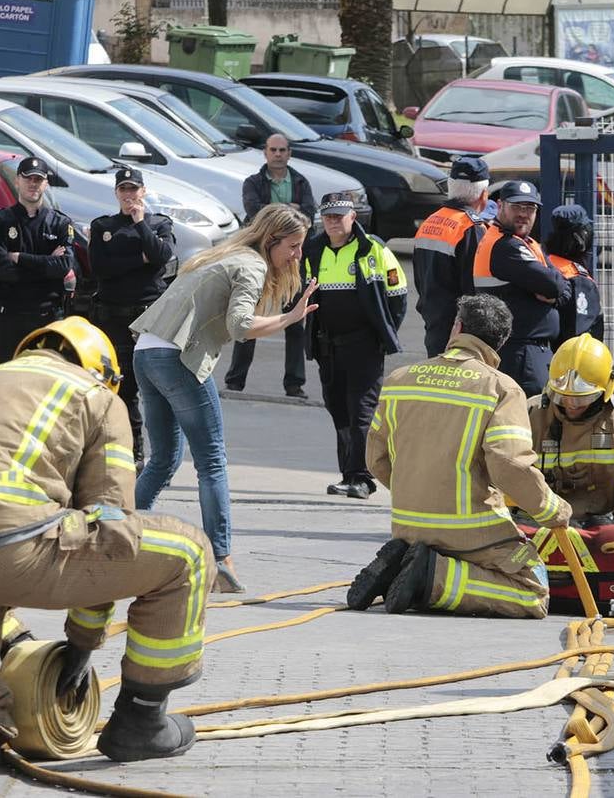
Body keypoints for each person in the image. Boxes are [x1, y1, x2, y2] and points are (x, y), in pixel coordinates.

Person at [0, 318, 212, 785]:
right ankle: (142, 721)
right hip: (11, 543)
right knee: (187, 552)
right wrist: (82, 643)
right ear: (101, 370)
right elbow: (110, 527)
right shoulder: (94, 394)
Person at [132, 204, 319, 593]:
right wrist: (288, 318)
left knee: (164, 457)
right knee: (211, 461)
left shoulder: (225, 255)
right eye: (294, 246)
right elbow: (240, 326)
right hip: (175, 357)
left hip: (146, 352)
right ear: (272, 240)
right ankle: (221, 560)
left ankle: (123, 534)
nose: (297, 256)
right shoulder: (250, 266)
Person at [346, 294, 570, 618]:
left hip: (408, 524)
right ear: (500, 342)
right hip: (470, 530)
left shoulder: (399, 380)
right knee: (532, 589)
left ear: (458, 327)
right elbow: (508, 465)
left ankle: (411, 566)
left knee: (441, 553)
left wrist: (416, 489)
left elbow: (375, 459)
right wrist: (552, 509)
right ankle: (433, 577)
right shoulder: (502, 389)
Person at [301, 193, 406, 500]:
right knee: (339, 411)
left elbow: (398, 295)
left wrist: (382, 334)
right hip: (328, 347)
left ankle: (362, 478)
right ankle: (349, 473)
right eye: (328, 216)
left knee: (362, 412)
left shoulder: (372, 248)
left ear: (353, 217)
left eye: (339, 216)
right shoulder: (315, 249)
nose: (333, 222)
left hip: (364, 346)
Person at [89, 167, 175, 468]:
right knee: (122, 388)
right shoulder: (103, 226)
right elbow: (100, 268)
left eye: (133, 189)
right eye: (123, 190)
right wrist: (140, 260)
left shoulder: (159, 223)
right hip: (114, 317)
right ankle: (132, 450)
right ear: (116, 193)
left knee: (155, 387)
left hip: (149, 317)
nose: (129, 196)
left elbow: (162, 256)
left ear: (144, 192)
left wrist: (140, 225)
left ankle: (162, 452)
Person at [527, 334, 614, 527]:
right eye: (563, 396)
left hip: (599, 530)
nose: (572, 404)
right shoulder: (532, 415)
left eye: (582, 398)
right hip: (539, 526)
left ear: (605, 391)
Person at [226, 133, 316, 398]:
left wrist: (275, 212)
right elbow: (254, 212)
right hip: (260, 257)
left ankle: (294, 384)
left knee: (295, 320)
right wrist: (289, 208)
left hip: (290, 259)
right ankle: (235, 381)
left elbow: (308, 213)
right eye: (273, 149)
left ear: (289, 153)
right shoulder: (253, 182)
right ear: (265, 153)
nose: (277, 154)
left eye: (282, 150)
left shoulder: (300, 181)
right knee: (249, 318)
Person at [471, 180, 567, 395]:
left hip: (529, 352)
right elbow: (554, 285)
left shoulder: (526, 243)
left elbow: (562, 287)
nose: (524, 214)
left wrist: (555, 293)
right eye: (517, 207)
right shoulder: (505, 246)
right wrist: (554, 292)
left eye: (530, 208)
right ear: (500, 205)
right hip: (519, 354)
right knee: (525, 420)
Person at [0, 157, 76, 366]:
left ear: (46, 184)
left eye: (38, 179)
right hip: (10, 316)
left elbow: (63, 267)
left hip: (47, 317)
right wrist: (46, 265)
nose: (33, 184)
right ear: (17, 181)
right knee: (4, 381)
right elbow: (1, 270)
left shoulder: (59, 223)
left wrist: (21, 258)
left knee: (45, 382)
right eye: (28, 179)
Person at [412, 156, 488, 356]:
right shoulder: (471, 228)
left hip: (434, 321)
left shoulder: (430, 221)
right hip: (462, 330)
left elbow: (420, 279)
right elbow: (475, 287)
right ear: (483, 195)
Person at [543, 204, 604, 347]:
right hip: (566, 362)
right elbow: (581, 337)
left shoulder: (543, 263)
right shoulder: (578, 279)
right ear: (581, 237)